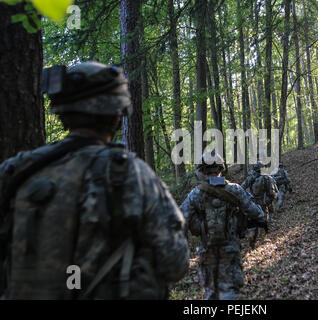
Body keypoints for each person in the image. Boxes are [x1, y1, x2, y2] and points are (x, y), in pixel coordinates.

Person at [0, 61, 189, 299]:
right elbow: (175, 263)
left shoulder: (14, 170)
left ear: (61, 112)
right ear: (116, 116)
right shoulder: (131, 174)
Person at [181, 151, 267, 300]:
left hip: (207, 251)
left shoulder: (195, 195)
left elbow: (180, 220)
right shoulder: (235, 190)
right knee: (230, 292)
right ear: (221, 169)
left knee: (211, 292)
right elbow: (256, 213)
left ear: (201, 171)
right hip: (231, 250)